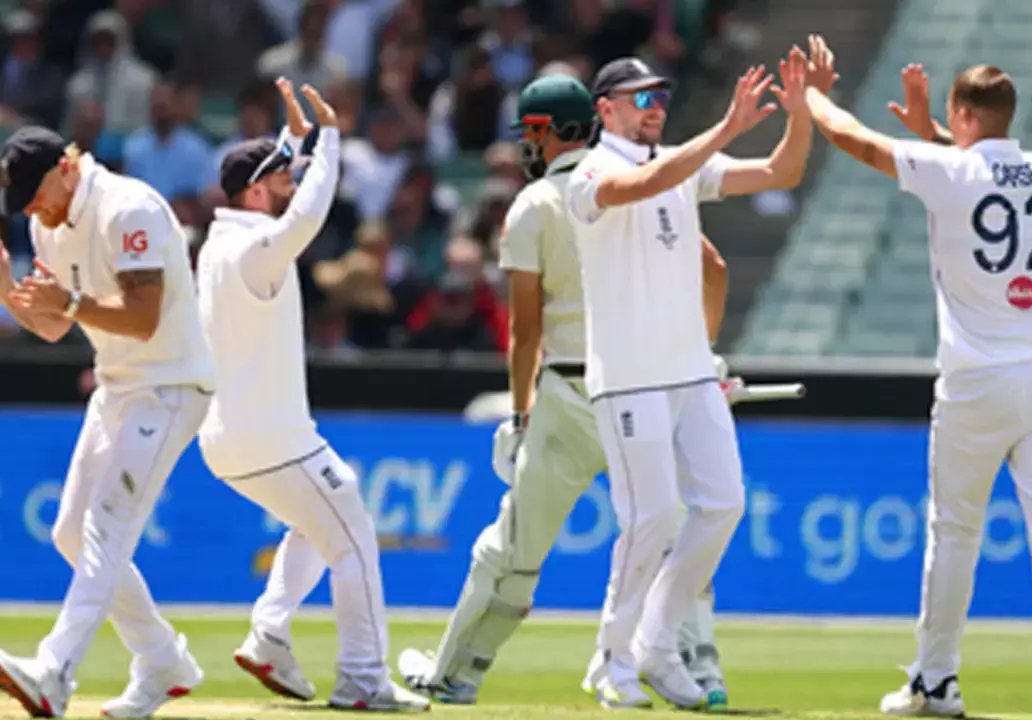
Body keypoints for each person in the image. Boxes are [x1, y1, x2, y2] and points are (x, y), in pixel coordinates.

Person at [395, 73, 734, 710]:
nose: (528, 144)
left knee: (514, 549)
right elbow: (712, 269)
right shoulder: (639, 181)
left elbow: (526, 329)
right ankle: (699, 668)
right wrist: (702, 359)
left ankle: (455, 673)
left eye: (533, 132)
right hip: (653, 381)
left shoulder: (538, 203)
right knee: (667, 533)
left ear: (557, 132)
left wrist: (520, 412)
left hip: (575, 391)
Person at [798, 34, 1032, 720]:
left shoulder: (950, 173)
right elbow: (973, 169)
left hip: (980, 379)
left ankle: (936, 682)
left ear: (962, 116)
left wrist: (814, 95)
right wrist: (931, 130)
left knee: (955, 530)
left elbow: (853, 140)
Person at [564, 52, 811, 709]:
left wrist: (801, 113)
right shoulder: (589, 173)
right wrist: (725, 129)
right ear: (605, 109)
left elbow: (782, 170)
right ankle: (610, 661)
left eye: (659, 96)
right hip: (628, 376)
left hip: (690, 372)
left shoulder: (681, 164)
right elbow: (638, 187)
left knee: (725, 503)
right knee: (651, 519)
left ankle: (655, 642)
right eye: (638, 97)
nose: (653, 106)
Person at [195, 77, 429, 713]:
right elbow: (308, 212)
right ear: (254, 192)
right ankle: (363, 682)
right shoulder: (255, 248)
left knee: (320, 521)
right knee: (353, 537)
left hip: (234, 435)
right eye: (282, 175)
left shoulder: (223, 241)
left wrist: (293, 137)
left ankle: (271, 631)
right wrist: (330, 142)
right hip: (269, 435)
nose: (291, 181)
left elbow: (273, 185)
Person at [0, 126, 214, 718]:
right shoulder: (45, 224)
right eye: (22, 205)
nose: (34, 210)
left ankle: (53, 672)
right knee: (71, 533)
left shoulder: (130, 207)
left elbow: (143, 317)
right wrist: (7, 288)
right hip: (118, 388)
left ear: (67, 165)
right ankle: (163, 658)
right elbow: (51, 327)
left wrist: (65, 305)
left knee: (106, 528)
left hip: (170, 385)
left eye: (37, 193)